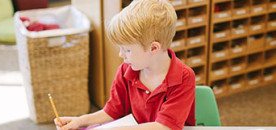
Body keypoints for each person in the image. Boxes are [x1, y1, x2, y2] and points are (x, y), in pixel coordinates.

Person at [54, 0, 195, 129]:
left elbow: (165, 127)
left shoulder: (184, 77)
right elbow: (113, 110)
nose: (121, 55)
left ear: (153, 48)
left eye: (127, 50)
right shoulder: (126, 70)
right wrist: (81, 120)